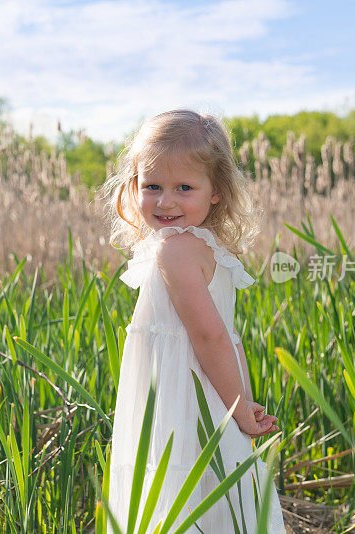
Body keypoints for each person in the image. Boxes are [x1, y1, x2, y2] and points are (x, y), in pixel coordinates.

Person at [100, 110, 285, 533]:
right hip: (204, 394)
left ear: (216, 191)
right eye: (153, 187)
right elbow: (230, 338)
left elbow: (210, 336)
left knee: (174, 493)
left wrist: (238, 408)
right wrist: (241, 400)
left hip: (179, 401)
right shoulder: (203, 247)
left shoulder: (175, 252)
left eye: (184, 187)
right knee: (208, 491)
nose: (166, 201)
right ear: (134, 187)